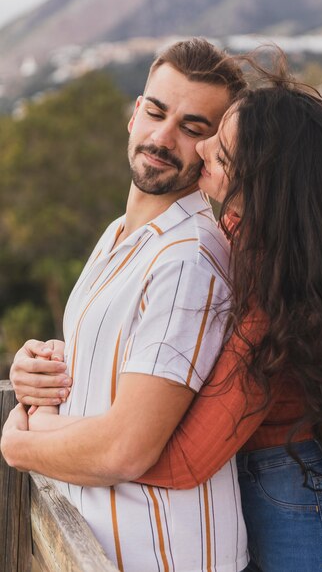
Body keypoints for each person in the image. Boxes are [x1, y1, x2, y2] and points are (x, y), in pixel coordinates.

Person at [8, 56, 322, 571]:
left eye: (218, 149)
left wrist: (36, 434)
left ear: (264, 188)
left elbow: (177, 459)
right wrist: (51, 364)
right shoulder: (251, 250)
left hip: (321, 528)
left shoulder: (266, 292)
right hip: (293, 503)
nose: (199, 151)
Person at [1, 38, 250, 572]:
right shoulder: (120, 233)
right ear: (134, 113)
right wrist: (40, 371)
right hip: (96, 550)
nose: (163, 137)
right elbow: (111, 368)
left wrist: (19, 447)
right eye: (156, 112)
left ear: (213, 150)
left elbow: (125, 450)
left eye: (193, 127)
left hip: (166, 556)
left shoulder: (188, 261)